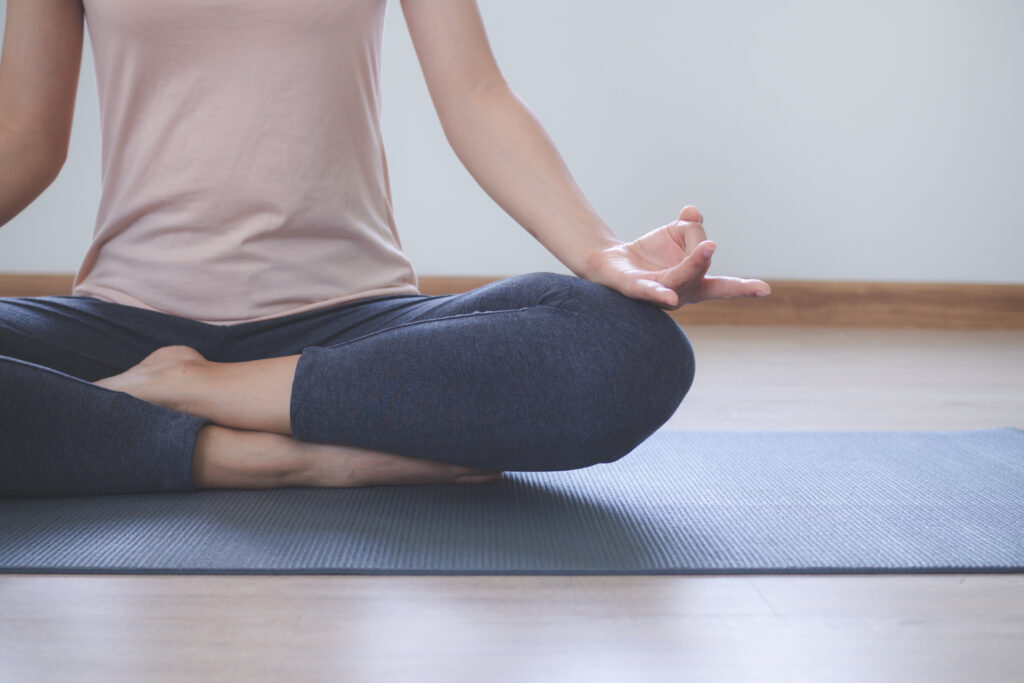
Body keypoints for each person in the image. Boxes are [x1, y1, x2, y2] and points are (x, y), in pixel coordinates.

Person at [0, 0, 769, 498]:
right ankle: (264, 454)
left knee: (630, 349)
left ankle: (182, 395)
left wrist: (601, 253)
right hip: (120, 323)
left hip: (353, 324)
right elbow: (24, 140)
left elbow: (475, 96)